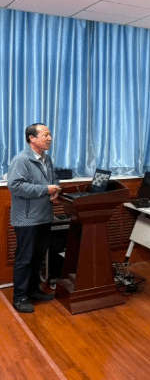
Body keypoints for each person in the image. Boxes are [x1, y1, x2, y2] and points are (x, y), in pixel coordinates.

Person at [7, 123, 62, 313]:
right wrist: (45, 190)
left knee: (38, 258)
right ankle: (20, 297)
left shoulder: (47, 159)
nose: (50, 138)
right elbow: (15, 186)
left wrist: (55, 190)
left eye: (50, 134)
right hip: (26, 220)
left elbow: (54, 179)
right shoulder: (21, 160)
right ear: (32, 138)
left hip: (44, 217)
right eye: (45, 135)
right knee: (25, 259)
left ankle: (33, 290)